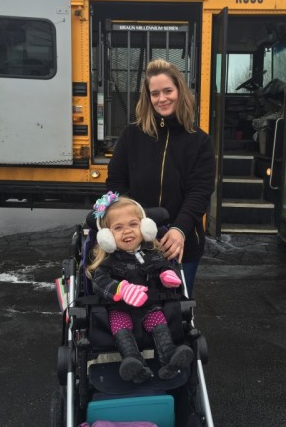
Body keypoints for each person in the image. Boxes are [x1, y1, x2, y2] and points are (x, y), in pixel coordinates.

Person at [106, 58, 216, 297]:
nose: (162, 98)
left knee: (176, 313)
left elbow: (200, 192)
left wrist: (180, 229)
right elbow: (115, 183)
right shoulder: (131, 135)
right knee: (135, 311)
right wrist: (132, 223)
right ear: (148, 98)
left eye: (168, 91)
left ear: (180, 92)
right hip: (133, 245)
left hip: (180, 245)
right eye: (154, 93)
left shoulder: (200, 141)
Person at [87, 191, 194, 384]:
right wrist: (121, 289)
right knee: (122, 329)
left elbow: (163, 267)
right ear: (106, 237)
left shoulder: (153, 253)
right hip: (120, 309)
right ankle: (132, 360)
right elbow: (99, 282)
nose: (127, 231)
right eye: (118, 228)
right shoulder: (108, 261)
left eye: (133, 224)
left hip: (150, 306)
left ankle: (170, 357)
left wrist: (167, 275)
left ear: (145, 228)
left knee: (159, 323)